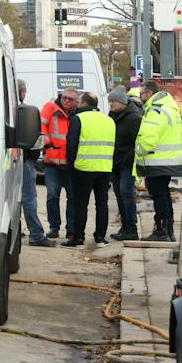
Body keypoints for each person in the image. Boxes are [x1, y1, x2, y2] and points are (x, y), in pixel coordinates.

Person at [64, 91, 115, 247]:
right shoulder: (109, 120)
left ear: (84, 103)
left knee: (81, 204)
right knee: (102, 204)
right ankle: (100, 237)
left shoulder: (78, 118)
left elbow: (71, 145)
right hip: (105, 168)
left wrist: (70, 165)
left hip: (83, 168)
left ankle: (78, 238)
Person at [137, 78, 182, 242]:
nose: (140, 96)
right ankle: (167, 230)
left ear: (149, 93)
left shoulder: (155, 111)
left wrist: (137, 153)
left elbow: (148, 139)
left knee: (159, 195)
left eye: (141, 93)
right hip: (169, 161)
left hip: (156, 161)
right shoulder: (169, 107)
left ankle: (161, 231)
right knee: (163, 194)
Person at [40, 89, 79, 243]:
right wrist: (48, 145)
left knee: (73, 198)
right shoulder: (50, 108)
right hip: (53, 163)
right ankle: (54, 228)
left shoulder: (78, 114)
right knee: (52, 196)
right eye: (65, 98)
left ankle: (71, 229)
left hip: (70, 164)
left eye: (71, 99)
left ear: (76, 102)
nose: (67, 101)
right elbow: (41, 127)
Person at [16, 80, 52, 247]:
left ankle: (15, 229)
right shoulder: (24, 111)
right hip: (23, 160)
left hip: (2, 161)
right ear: (22, 91)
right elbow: (36, 141)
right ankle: (36, 234)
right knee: (29, 198)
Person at [106, 86, 144, 241]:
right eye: (110, 101)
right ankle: (125, 225)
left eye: (113, 101)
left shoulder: (134, 117)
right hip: (114, 162)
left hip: (127, 163)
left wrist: (126, 158)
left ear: (122, 102)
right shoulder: (113, 114)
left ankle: (132, 228)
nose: (111, 104)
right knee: (119, 194)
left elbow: (137, 142)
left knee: (126, 193)